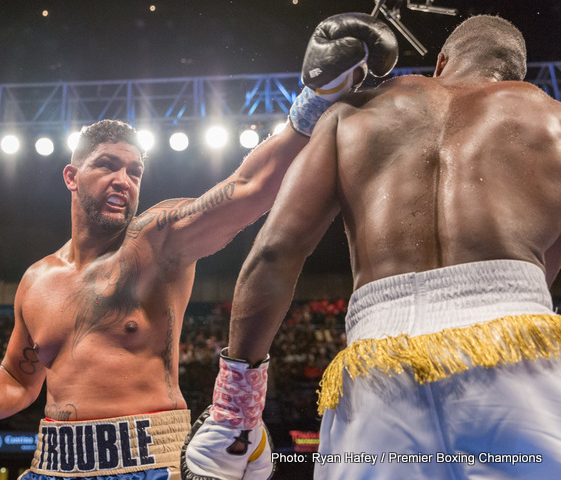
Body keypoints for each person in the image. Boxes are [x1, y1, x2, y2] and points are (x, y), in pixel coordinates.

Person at [0, 13, 398, 480]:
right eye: (107, 165)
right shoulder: (36, 280)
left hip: (148, 461)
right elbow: (18, 383)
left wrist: (314, 100)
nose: (124, 180)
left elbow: (248, 187)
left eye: (134, 171)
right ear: (71, 175)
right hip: (51, 467)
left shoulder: (157, 240)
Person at [184, 14, 561, 480]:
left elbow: (274, 254)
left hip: (380, 370)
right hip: (518, 360)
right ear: (514, 76)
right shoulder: (551, 120)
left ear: (442, 61)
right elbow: (541, 274)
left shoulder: (353, 114)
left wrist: (235, 409)